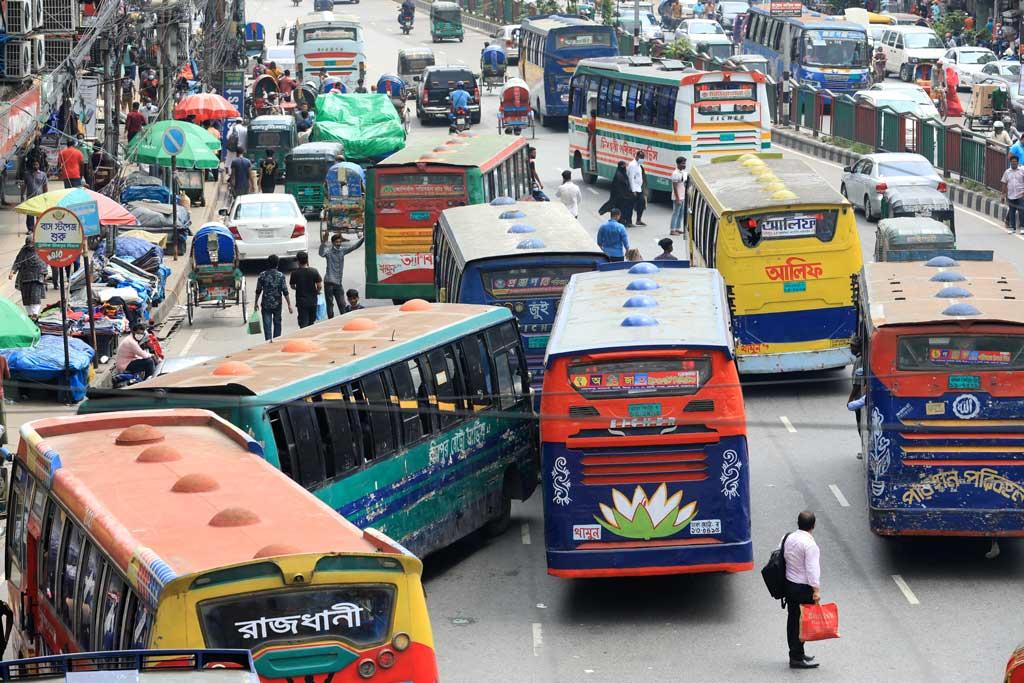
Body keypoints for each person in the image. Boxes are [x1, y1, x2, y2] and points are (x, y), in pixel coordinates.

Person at [782, 511, 822, 670]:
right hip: (803, 588)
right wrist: (816, 591)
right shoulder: (810, 544)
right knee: (801, 623)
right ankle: (796, 658)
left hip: (790, 585)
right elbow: (812, 570)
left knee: (793, 621)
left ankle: (798, 652)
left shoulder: (788, 537)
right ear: (813, 526)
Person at [318, 232, 365, 318]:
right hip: (329, 282)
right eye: (336, 242)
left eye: (340, 242)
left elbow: (354, 247)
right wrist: (324, 243)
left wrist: (363, 239)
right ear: (332, 243)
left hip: (337, 283)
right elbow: (321, 253)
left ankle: (343, 320)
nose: (338, 244)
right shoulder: (328, 252)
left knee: (342, 304)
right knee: (331, 305)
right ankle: (331, 322)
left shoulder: (342, 251)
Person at [254, 254, 292, 341]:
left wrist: (256, 302)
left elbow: (258, 290)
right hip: (277, 304)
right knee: (277, 323)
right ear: (277, 264)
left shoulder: (262, 275)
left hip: (266, 304)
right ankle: (277, 341)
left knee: (267, 325)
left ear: (268, 263)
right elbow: (285, 291)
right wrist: (289, 304)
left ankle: (268, 342)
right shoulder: (281, 275)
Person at [9, 236, 47, 317]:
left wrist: (44, 274)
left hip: (37, 277)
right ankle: (29, 314)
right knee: (26, 297)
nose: (30, 246)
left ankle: (35, 313)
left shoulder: (41, 249)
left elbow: (44, 262)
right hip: (25, 277)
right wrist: (12, 272)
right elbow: (18, 261)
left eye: (32, 244)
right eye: (28, 244)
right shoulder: (24, 250)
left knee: (35, 296)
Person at [289, 250, 323, 328]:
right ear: (307, 260)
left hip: (301, 301)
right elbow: (319, 286)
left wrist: (298, 288)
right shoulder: (314, 271)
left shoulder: (294, 273)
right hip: (313, 301)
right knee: (311, 321)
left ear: (298, 261)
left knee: (303, 322)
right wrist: (316, 292)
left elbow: (292, 286)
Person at [601, 160, 633, 226]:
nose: (625, 167)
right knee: (619, 209)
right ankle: (619, 221)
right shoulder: (619, 175)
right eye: (623, 166)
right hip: (619, 197)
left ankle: (622, 221)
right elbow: (618, 187)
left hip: (623, 196)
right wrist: (623, 195)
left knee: (622, 209)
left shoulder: (622, 174)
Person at [22, 159, 48, 231]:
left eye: (36, 164)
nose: (35, 166)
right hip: (30, 197)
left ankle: (38, 229)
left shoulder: (43, 174)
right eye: (34, 165)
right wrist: (22, 195)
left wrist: (46, 196)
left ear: (39, 165)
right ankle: (30, 229)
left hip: (39, 197)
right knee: (30, 214)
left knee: (39, 213)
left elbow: (45, 186)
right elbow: (24, 185)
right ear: (31, 166)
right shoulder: (27, 174)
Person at [1002, 155, 1024, 233]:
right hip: (1011, 196)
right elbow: (1004, 183)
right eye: (1012, 162)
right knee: (1011, 212)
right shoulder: (1007, 172)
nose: (1014, 163)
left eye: (1015, 162)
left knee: (1022, 212)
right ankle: (1012, 228)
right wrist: (1003, 195)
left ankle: (1022, 228)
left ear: (1018, 162)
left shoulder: (1022, 171)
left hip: (1020, 195)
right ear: (1010, 163)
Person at [670, 156, 688, 236]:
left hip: (683, 196)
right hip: (678, 197)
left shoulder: (683, 172)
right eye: (682, 163)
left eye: (684, 163)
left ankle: (677, 228)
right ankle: (672, 230)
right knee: (676, 213)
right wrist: (677, 198)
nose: (684, 165)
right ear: (678, 164)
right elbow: (675, 186)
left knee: (681, 213)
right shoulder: (675, 173)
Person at [627, 151, 646, 226]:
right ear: (637, 156)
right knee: (630, 206)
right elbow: (631, 178)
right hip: (634, 189)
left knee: (641, 204)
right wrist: (633, 190)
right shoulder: (632, 165)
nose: (642, 159)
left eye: (643, 158)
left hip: (639, 189)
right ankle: (629, 221)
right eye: (641, 157)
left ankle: (638, 220)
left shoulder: (639, 165)